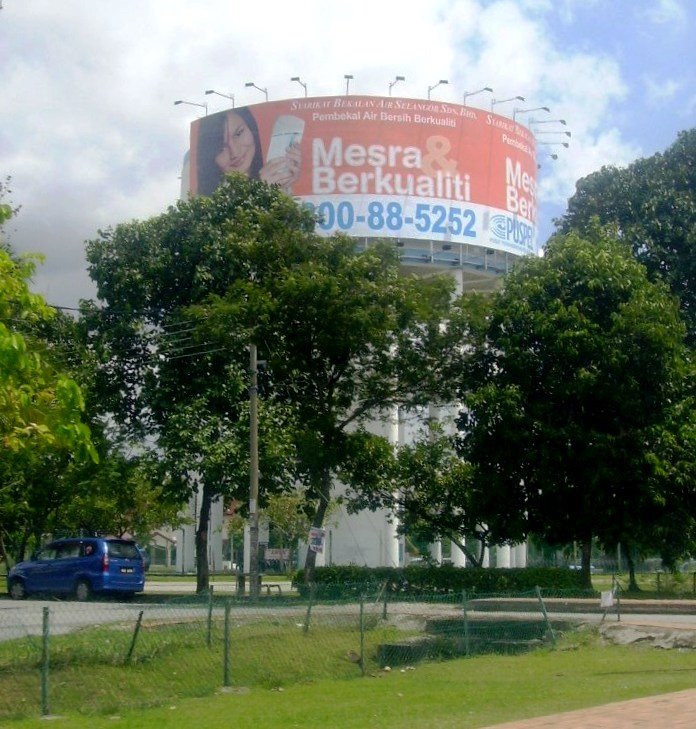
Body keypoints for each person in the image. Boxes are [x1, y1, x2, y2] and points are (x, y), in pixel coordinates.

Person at [196, 107, 301, 195]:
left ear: (252, 130)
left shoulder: (268, 175)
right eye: (221, 147)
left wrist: (284, 187)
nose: (234, 152)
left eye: (238, 133)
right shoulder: (212, 200)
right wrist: (260, 191)